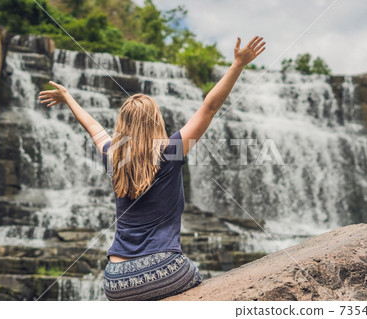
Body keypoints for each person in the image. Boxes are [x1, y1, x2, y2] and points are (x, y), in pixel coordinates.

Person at [38, 36, 266, 300]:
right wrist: (238, 64)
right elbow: (210, 108)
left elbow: (92, 128)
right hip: (164, 271)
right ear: (156, 120)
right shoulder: (171, 151)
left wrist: (68, 97)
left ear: (122, 123)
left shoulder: (113, 155)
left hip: (116, 281)